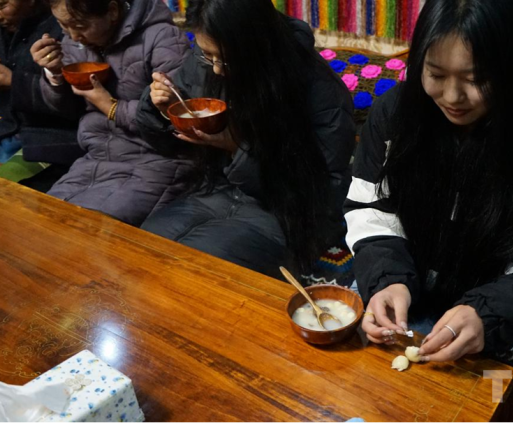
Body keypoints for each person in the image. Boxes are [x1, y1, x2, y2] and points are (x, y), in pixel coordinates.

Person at [345, 0, 513, 362]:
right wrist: (386, 280)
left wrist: (485, 315)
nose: (452, 97)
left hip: (486, 316)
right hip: (398, 290)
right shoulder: (395, 116)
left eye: (476, 80)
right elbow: (370, 207)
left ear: (511, 70)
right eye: (435, 74)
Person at [136, 0, 355, 278]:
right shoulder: (204, 62)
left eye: (226, 59)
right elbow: (168, 145)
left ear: (258, 45)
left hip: (288, 216)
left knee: (197, 267)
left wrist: (237, 148)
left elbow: (325, 192)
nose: (216, 69)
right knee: (145, 245)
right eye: (207, 54)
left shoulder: (320, 89)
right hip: (216, 191)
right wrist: (161, 109)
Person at [30, 0, 191, 225]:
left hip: (157, 160)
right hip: (96, 156)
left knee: (92, 227)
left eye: (80, 26)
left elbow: (178, 120)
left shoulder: (163, 38)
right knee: (42, 218)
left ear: (113, 11)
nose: (73, 36)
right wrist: (54, 74)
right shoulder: (74, 42)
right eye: (63, 25)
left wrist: (110, 106)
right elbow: (65, 110)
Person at [0, 0, 81, 179]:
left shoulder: (64, 28)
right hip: (9, 130)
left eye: (1, 5)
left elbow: (77, 105)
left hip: (55, 138)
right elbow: (2, 88)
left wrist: (14, 83)